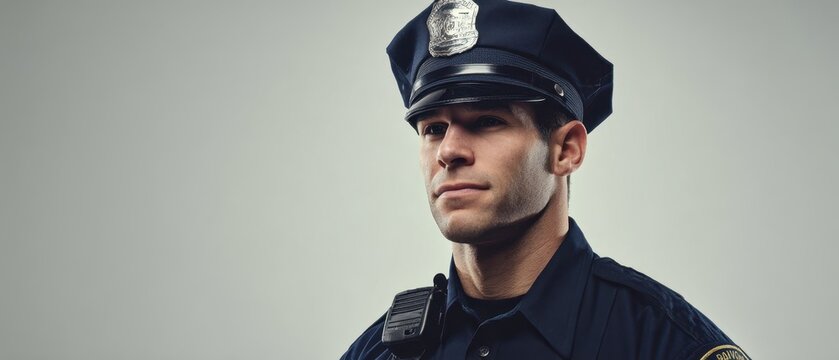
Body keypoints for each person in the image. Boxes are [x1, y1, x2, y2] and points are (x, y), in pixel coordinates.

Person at [342, 0, 749, 359]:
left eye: (487, 121)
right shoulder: (378, 352)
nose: (449, 151)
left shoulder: (665, 345)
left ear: (566, 149)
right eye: (433, 129)